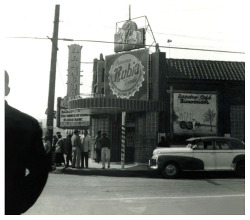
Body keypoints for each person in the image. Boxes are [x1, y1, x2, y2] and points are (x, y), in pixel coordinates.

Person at [5, 70, 49, 215]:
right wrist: (16, 203)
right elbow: (40, 170)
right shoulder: (26, 124)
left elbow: (40, 170)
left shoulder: (26, 125)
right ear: (7, 90)